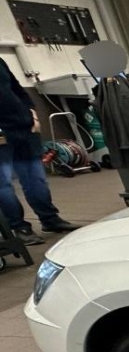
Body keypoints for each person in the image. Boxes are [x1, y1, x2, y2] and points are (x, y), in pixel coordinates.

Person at [0, 56, 79, 246]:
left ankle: (50, 219)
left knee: (36, 179)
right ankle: (19, 228)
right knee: (3, 186)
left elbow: (17, 90)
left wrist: (33, 115)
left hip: (24, 128)